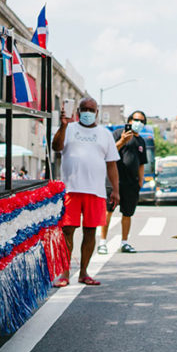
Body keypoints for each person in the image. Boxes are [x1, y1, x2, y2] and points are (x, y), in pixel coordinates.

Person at [51, 97, 120, 287]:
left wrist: (116, 190)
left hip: (96, 191)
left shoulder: (105, 134)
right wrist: (63, 126)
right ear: (78, 111)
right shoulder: (69, 129)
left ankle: (83, 272)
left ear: (97, 112)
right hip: (71, 189)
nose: (87, 112)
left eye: (91, 109)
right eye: (84, 109)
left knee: (90, 232)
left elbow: (112, 164)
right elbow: (56, 147)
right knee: (67, 231)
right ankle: (64, 273)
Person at [99, 110, 149, 254]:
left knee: (127, 213)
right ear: (129, 120)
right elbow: (110, 153)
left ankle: (124, 242)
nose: (139, 123)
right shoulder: (118, 134)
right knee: (108, 211)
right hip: (114, 181)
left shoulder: (141, 141)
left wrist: (140, 181)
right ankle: (102, 242)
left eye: (142, 121)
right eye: (136, 120)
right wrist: (122, 141)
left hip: (131, 183)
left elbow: (141, 163)